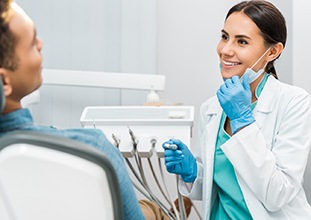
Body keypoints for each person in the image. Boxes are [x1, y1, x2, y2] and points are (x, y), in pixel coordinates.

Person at [0, 1, 172, 219]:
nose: (41, 44)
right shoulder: (93, 149)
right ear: (4, 81)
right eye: (33, 42)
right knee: (156, 211)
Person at [162, 1, 311, 219]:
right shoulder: (211, 109)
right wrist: (193, 172)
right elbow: (221, 183)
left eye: (241, 41)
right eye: (224, 37)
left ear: (273, 51)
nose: (225, 50)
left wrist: (243, 121)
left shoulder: (293, 102)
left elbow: (277, 194)